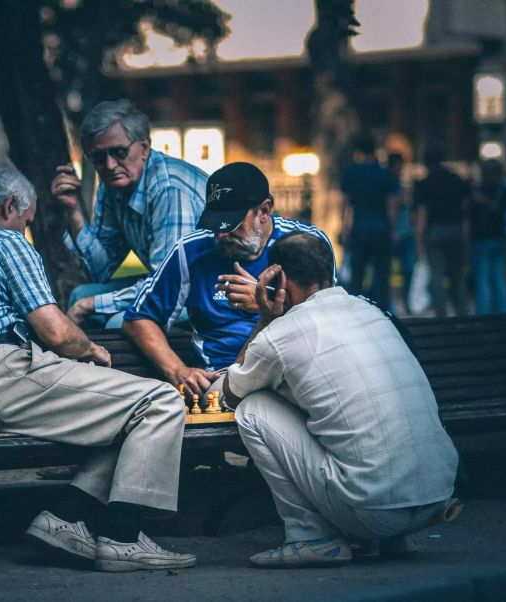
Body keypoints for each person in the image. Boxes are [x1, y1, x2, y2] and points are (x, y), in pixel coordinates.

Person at [0, 168, 196, 572]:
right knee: (159, 401)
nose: (25, 229)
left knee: (127, 422)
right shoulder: (4, 242)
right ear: (9, 206)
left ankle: (64, 519)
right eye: (26, 220)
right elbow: (55, 331)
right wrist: (91, 350)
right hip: (10, 372)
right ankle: (122, 538)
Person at [222, 232, 460, 568]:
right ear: (329, 271)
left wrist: (265, 319)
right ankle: (394, 537)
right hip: (437, 498)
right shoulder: (373, 311)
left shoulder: (283, 332)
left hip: (374, 511)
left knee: (252, 409)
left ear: (280, 278)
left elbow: (232, 393)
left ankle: (311, 538)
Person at [122, 162, 333, 398]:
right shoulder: (190, 250)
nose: (220, 234)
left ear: (264, 211)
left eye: (232, 225)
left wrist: (267, 304)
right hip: (225, 375)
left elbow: (330, 317)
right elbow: (138, 319)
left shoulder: (305, 243)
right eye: (215, 224)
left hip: (297, 366)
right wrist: (178, 370)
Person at [52, 99, 208, 328]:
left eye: (118, 152)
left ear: (144, 148)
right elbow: (100, 272)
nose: (110, 165)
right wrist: (74, 211)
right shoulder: (113, 185)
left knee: (117, 322)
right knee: (80, 294)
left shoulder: (168, 190)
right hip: (172, 286)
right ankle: (87, 364)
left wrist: (91, 304)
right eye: (98, 157)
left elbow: (167, 284)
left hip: (206, 294)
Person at [339, 133, 400, 309]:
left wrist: (345, 229)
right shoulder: (384, 173)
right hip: (381, 230)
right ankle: (382, 313)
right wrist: (393, 230)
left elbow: (347, 205)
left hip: (359, 230)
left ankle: (356, 311)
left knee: (357, 276)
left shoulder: (351, 172)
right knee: (382, 277)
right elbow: (391, 205)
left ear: (358, 151)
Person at [413, 146, 471, 317]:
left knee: (437, 275)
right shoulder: (456, 179)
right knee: (457, 274)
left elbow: (422, 214)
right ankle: (462, 312)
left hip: (435, 231)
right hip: (456, 229)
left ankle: (442, 313)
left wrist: (419, 240)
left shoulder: (424, 183)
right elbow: (465, 209)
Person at [470, 159, 506, 314]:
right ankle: (503, 310)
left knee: (482, 277)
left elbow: (470, 215)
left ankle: (484, 312)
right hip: (501, 236)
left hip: (481, 238)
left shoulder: (478, 191)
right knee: (499, 275)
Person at [387, 152, 417, 315]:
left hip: (406, 232)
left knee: (408, 269)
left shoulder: (400, 184)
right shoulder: (389, 185)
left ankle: (405, 301)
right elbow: (392, 206)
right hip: (395, 232)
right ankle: (391, 304)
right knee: (390, 270)